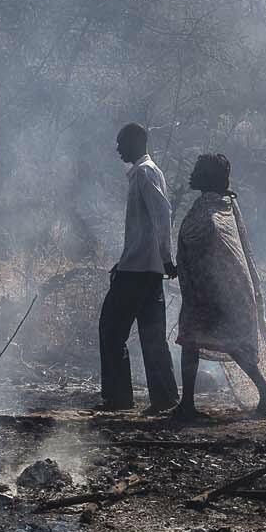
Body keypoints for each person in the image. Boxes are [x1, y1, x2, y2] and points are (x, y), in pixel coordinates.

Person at [173, 153, 266, 419]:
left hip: (212, 292)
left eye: (198, 170)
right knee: (203, 342)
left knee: (196, 340)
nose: (192, 174)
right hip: (218, 291)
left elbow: (207, 243)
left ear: (207, 177)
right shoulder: (221, 205)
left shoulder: (210, 212)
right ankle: (262, 390)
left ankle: (188, 404)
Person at [97, 122, 178, 412]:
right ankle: (165, 399)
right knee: (153, 335)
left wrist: (166, 257)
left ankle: (118, 398)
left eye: (122, 143)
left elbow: (162, 214)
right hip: (146, 269)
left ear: (136, 142)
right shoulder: (145, 172)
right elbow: (145, 229)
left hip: (138, 272)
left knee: (111, 330)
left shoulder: (144, 173)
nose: (118, 149)